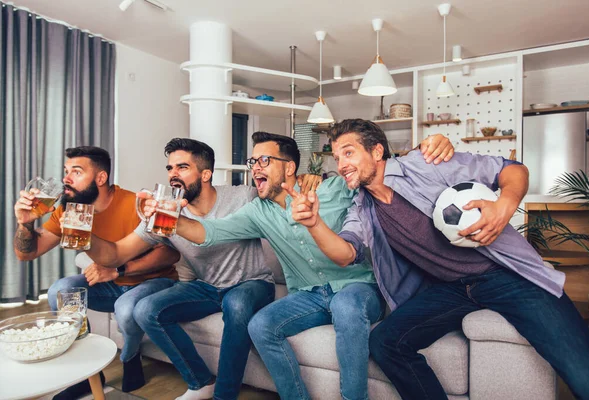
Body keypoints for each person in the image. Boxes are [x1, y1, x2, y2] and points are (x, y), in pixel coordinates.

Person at [288, 118, 589, 400]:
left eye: (349, 152)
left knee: (587, 378)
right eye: (337, 156)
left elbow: (512, 169)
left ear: (377, 152)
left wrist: (504, 206)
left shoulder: (425, 163)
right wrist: (315, 224)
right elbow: (347, 253)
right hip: (452, 288)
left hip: (507, 276)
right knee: (385, 342)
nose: (341, 164)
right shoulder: (361, 207)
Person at [136, 131, 454, 400]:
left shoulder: (332, 188)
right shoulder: (256, 211)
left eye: (264, 161)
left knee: (345, 306)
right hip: (308, 295)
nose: (254, 168)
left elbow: (375, 169)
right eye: (252, 162)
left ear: (289, 168)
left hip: (358, 287)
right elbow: (208, 233)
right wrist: (171, 220)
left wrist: (429, 146)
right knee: (260, 324)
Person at [83, 138, 275, 400]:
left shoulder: (242, 196)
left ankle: (224, 395)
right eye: (170, 168)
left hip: (252, 283)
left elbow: (278, 194)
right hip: (207, 286)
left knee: (237, 304)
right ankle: (200, 382)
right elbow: (116, 253)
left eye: (182, 167)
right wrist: (81, 232)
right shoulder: (164, 212)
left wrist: (310, 180)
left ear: (205, 174)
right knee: (146, 310)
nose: (173, 175)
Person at [13, 146, 180, 397]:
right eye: (66, 171)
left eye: (76, 172)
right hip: (110, 286)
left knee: (126, 306)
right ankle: (88, 372)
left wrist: (118, 269)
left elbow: (169, 253)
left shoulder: (133, 203)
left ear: (101, 178)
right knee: (61, 290)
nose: (66, 179)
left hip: (154, 281)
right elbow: (27, 253)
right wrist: (25, 223)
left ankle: (130, 355)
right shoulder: (68, 208)